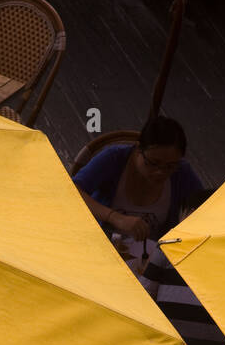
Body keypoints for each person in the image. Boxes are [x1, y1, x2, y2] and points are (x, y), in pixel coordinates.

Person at [73, 117, 203, 289]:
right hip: (96, 252)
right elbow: (71, 190)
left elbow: (204, 208)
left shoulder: (181, 174)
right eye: (153, 163)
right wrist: (115, 218)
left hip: (147, 266)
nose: (160, 172)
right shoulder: (114, 159)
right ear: (138, 150)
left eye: (170, 166)